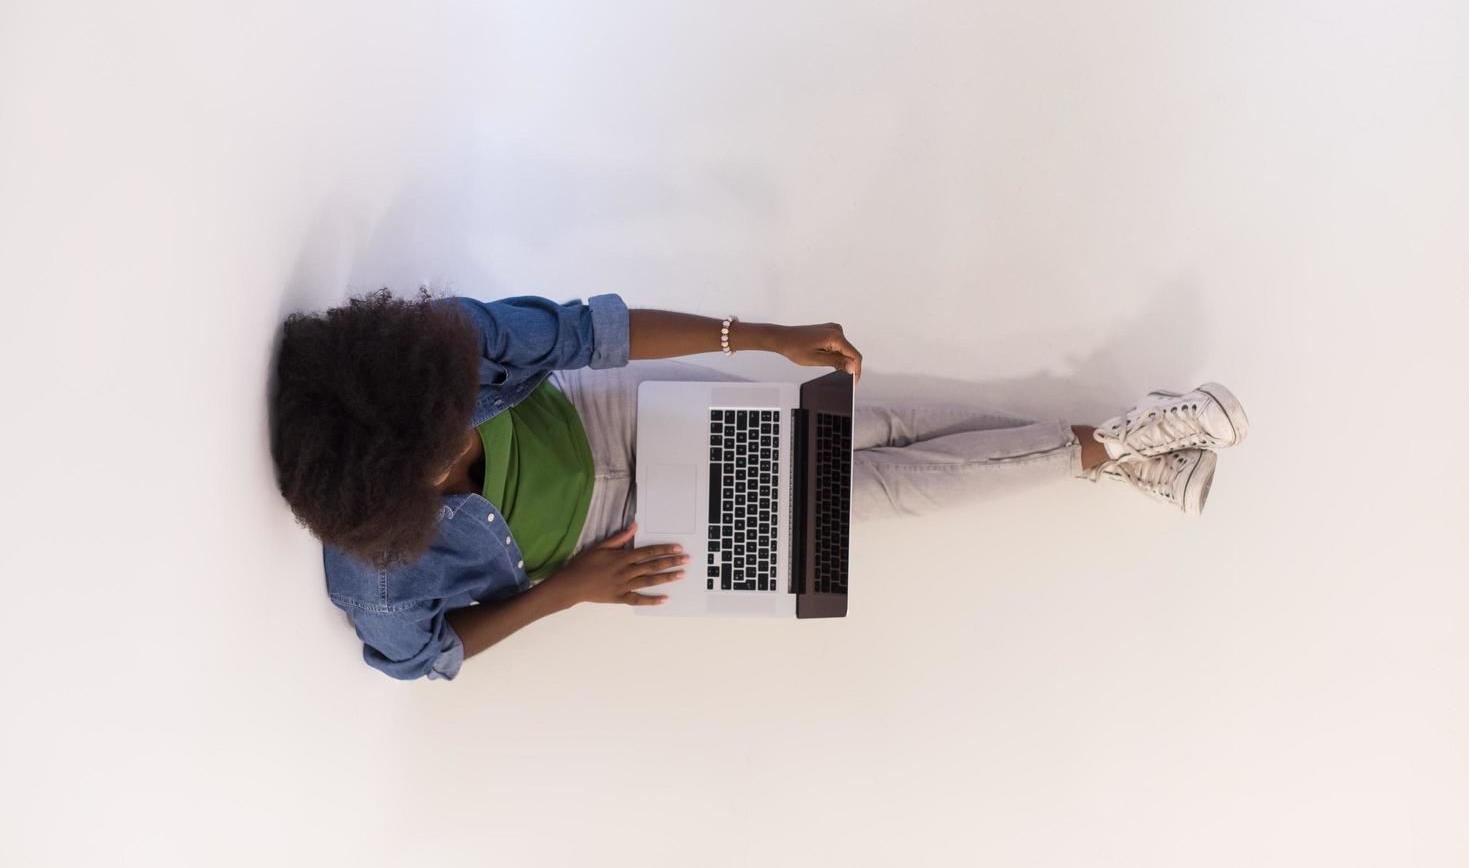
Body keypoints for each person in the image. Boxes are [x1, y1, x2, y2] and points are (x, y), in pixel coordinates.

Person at [269, 287, 1249, 681]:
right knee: (878, 496)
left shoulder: (448, 353)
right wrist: (569, 590)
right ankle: (1129, 447)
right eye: (445, 448)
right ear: (394, 493)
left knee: (877, 423)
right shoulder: (375, 578)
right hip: (622, 532)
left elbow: (588, 332)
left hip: (617, 415)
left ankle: (1126, 448)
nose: (466, 424)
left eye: (459, 405)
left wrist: (760, 337)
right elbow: (419, 657)